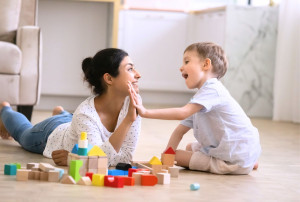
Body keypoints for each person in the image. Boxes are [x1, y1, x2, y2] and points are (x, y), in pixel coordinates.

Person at [129, 42, 261, 175]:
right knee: (188, 147)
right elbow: (179, 131)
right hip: (241, 150)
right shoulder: (201, 99)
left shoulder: (212, 89)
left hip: (231, 158)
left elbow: (182, 113)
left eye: (187, 61)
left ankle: (240, 165)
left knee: (177, 156)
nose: (181, 67)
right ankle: (247, 162)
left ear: (206, 65)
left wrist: (146, 112)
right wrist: (167, 156)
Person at [0, 48, 142, 166]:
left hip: (74, 123)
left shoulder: (133, 103)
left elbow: (125, 158)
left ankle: (61, 113)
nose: (138, 75)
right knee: (22, 133)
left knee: (75, 121)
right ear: (109, 79)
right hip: (50, 134)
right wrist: (128, 121)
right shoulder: (85, 113)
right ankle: (5, 109)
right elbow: (99, 160)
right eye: (130, 69)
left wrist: (81, 158)